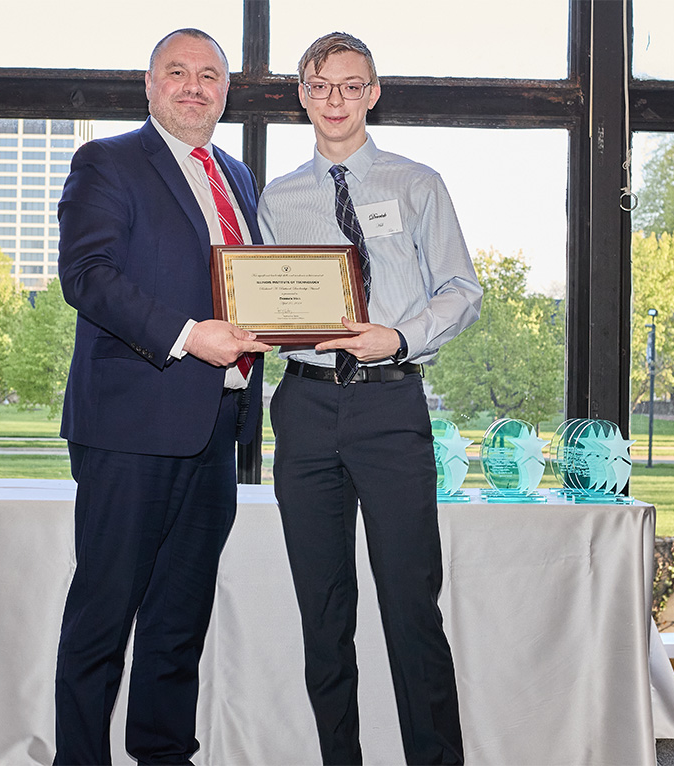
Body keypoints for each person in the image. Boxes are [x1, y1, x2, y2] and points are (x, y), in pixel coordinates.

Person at [258, 32, 482, 766]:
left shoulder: (417, 184)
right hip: (305, 405)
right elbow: (268, 300)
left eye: (351, 87)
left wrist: (398, 335)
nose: (335, 101)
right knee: (323, 617)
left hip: (391, 409)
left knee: (412, 610)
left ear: (373, 94)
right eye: (321, 86)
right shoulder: (278, 198)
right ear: (302, 94)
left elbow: (461, 291)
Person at [53, 28, 271, 766]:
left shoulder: (236, 175)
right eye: (176, 72)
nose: (194, 86)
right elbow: (88, 276)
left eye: (209, 75)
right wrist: (187, 335)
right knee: (103, 620)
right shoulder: (107, 162)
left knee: (179, 622)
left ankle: (164, 755)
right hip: (130, 426)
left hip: (216, 427)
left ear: (225, 93)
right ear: (149, 86)